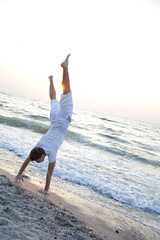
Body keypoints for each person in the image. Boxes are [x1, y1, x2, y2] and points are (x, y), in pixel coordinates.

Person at [15, 54, 73, 194]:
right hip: (53, 118)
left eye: (38, 161)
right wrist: (18, 174)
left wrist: (46, 190)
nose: (38, 162)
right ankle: (51, 80)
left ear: (42, 157)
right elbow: (29, 159)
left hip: (63, 120)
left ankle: (65, 68)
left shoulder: (51, 152)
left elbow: (49, 173)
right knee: (53, 99)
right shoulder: (38, 146)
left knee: (67, 92)